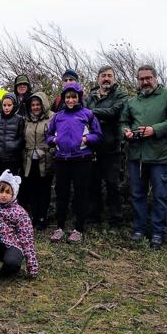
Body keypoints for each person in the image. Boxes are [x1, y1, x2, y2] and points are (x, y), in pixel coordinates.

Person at [120, 65, 167, 250]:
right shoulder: (132, 102)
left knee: (160, 196)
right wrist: (125, 132)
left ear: (155, 78)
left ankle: (158, 233)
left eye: (148, 78)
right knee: (137, 195)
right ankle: (139, 230)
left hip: (160, 156)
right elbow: (123, 122)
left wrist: (154, 130)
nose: (145, 81)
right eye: (141, 79)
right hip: (136, 156)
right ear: (138, 81)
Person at [47, 83, 102, 243]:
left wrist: (86, 139)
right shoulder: (58, 116)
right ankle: (59, 227)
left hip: (82, 160)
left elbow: (98, 135)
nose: (70, 100)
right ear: (64, 99)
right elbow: (49, 136)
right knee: (61, 194)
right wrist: (55, 140)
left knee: (80, 194)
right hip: (61, 160)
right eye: (67, 97)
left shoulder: (88, 114)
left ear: (79, 97)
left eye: (73, 97)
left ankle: (78, 228)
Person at [0, 170, 38, 290]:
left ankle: (7, 271)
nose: (3, 195)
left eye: (7, 192)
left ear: (13, 193)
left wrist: (32, 267)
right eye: (1, 191)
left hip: (13, 246)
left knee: (12, 262)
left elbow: (27, 240)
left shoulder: (20, 213)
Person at [85, 66, 128, 230]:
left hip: (112, 149)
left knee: (112, 185)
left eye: (109, 76)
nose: (106, 79)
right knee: (92, 185)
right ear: (98, 78)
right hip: (92, 148)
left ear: (114, 78)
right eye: (103, 76)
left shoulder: (121, 95)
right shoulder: (90, 96)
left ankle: (115, 221)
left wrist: (90, 113)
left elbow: (114, 111)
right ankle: (93, 219)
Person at [19, 92, 54, 230]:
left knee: (44, 190)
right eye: (33, 105)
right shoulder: (25, 119)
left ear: (43, 104)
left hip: (46, 160)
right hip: (29, 161)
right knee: (32, 190)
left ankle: (42, 217)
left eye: (38, 104)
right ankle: (33, 217)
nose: (35, 107)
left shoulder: (52, 117)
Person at [0, 93, 25, 183]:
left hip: (13, 159)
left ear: (14, 105)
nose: (6, 108)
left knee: (11, 184)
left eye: (9, 105)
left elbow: (21, 136)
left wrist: (14, 146)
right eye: (4, 105)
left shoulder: (19, 119)